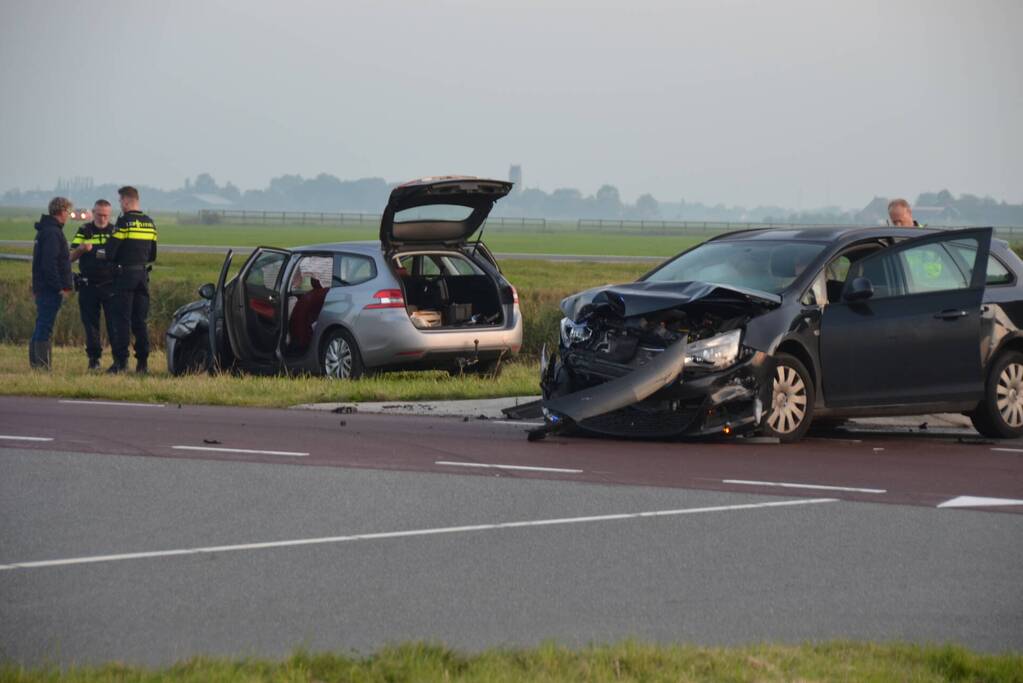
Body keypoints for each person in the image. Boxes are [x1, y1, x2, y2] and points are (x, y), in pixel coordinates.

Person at [102, 186, 157, 374]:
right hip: (142, 276)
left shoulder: (124, 222)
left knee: (122, 320)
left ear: (126, 201)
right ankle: (143, 363)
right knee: (140, 321)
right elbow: (153, 254)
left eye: (120, 201)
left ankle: (121, 363)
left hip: (125, 276)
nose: (120, 205)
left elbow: (110, 251)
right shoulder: (150, 223)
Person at [69, 199, 117, 370]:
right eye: (99, 214)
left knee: (114, 324)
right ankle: (94, 359)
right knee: (90, 325)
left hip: (111, 285)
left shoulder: (115, 231)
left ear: (110, 215)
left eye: (106, 215)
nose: (102, 218)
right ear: (93, 212)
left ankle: (118, 361)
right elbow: (70, 257)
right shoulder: (84, 230)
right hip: (88, 284)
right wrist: (81, 249)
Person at [30, 197, 74, 369]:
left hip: (43, 287)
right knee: (45, 327)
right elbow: (50, 263)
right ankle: (41, 365)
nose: (69, 216)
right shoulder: (53, 233)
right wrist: (59, 287)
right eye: (68, 212)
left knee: (41, 324)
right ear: (61, 211)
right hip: (50, 289)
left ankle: (36, 364)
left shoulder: (46, 230)